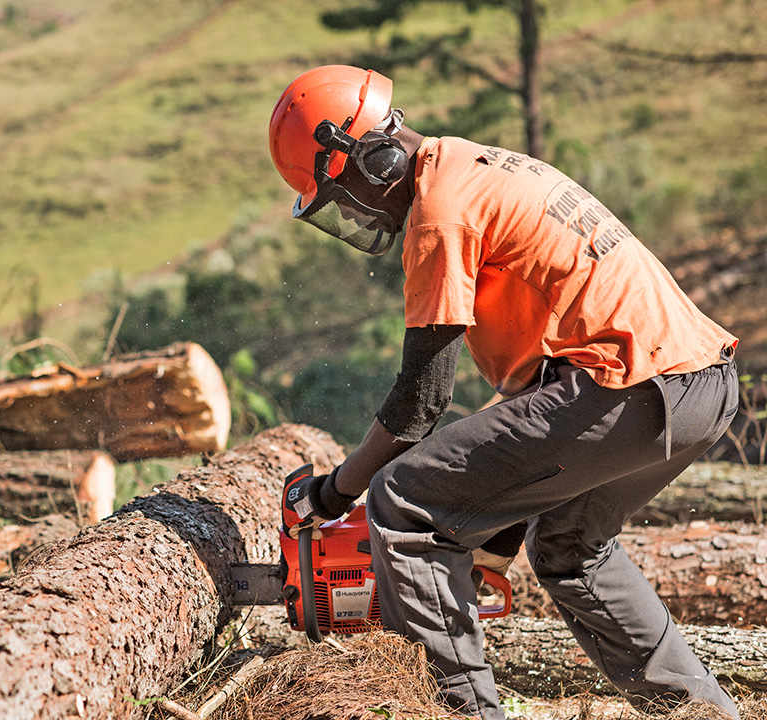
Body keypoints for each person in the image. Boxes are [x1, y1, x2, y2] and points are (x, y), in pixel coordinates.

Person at [269, 64, 740, 720]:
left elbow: (421, 402)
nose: (352, 213)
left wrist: (336, 492)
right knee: (570, 552)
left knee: (402, 502)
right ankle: (705, 712)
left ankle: (463, 713)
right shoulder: (472, 166)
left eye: (343, 194)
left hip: (630, 387)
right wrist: (491, 539)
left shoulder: (440, 212)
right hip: (699, 385)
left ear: (372, 159)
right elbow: (532, 412)